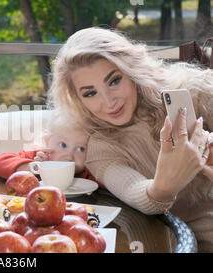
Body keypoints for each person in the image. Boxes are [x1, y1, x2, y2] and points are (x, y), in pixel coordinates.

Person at [48, 27, 213, 252]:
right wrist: (164, 186)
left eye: (114, 81)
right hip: (185, 243)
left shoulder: (194, 92)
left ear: (132, 70)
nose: (109, 101)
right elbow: (137, 194)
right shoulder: (101, 148)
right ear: (77, 100)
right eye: (90, 93)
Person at [0, 110, 98, 185]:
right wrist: (34, 168)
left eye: (81, 149)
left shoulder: (89, 172)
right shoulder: (37, 158)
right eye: (63, 145)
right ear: (47, 141)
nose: (69, 156)